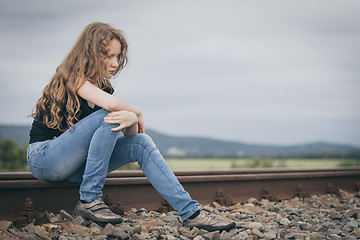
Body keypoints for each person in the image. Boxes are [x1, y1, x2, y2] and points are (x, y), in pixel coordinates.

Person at [27, 22, 235, 232]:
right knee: (110, 114)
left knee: (141, 142)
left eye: (117, 56)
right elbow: (111, 107)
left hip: (77, 166)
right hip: (44, 157)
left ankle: (191, 213)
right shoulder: (72, 77)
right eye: (108, 56)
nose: (115, 63)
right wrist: (137, 113)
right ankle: (89, 200)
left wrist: (132, 120)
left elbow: (131, 135)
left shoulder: (104, 88)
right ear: (91, 54)